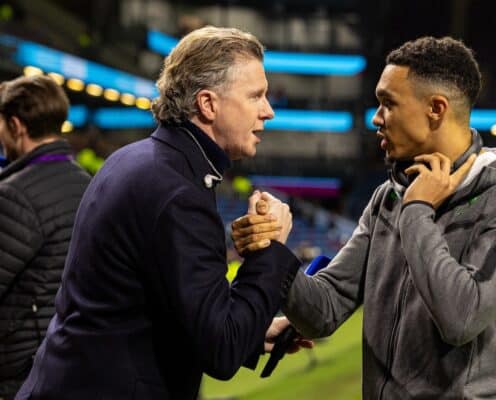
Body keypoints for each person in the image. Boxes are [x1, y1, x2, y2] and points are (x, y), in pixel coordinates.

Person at [233, 36, 496, 399]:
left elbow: (461, 317)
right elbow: (324, 309)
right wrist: (272, 252)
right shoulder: (389, 195)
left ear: (436, 108)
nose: (376, 118)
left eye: (388, 103)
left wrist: (417, 212)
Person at [16, 27, 302, 400]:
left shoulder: (136, 160)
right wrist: (270, 249)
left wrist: (251, 333)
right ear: (208, 104)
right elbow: (222, 351)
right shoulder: (178, 190)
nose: (269, 111)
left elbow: (150, 309)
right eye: (256, 96)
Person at [0, 75, 90, 399]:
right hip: (73, 360)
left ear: (15, 125)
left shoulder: (13, 195)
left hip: (21, 374)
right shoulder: (88, 184)